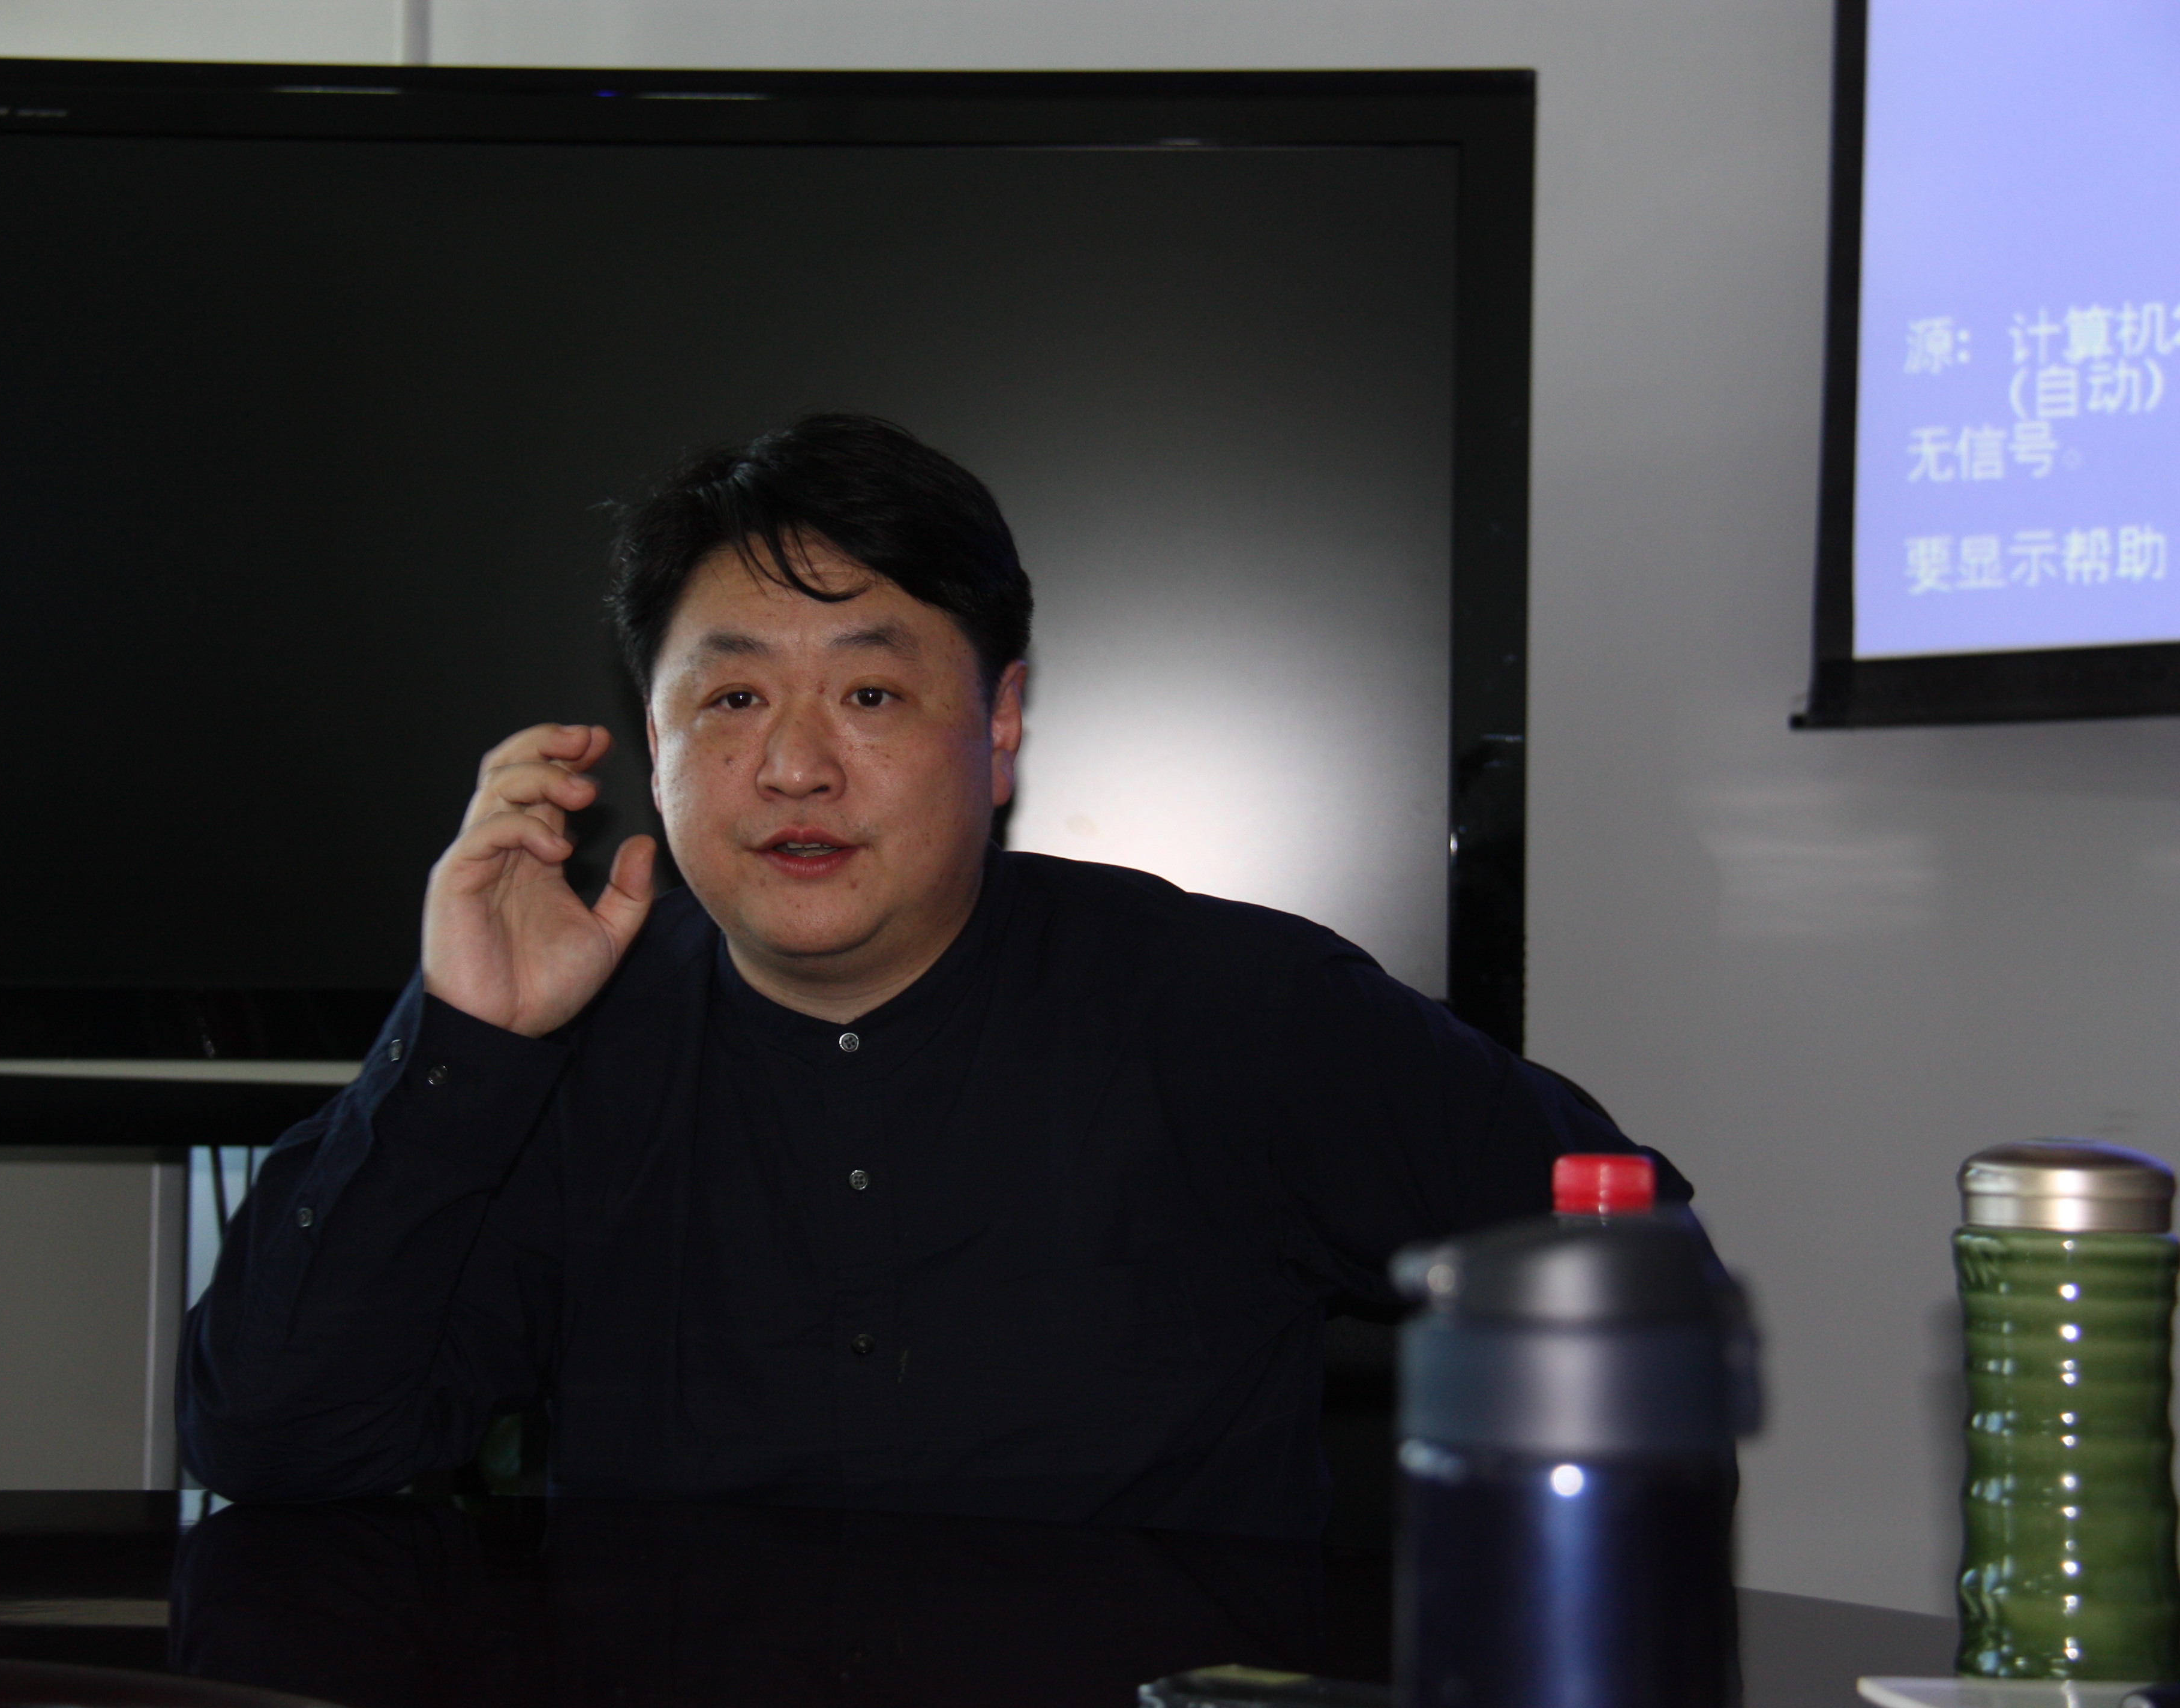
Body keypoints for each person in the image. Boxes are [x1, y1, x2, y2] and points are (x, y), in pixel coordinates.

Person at [179, 413, 1677, 1537]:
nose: (795, 764)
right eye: (734, 696)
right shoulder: (566, 1047)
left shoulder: (1238, 1008)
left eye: (872, 691)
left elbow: (1633, 1263)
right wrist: (465, 1037)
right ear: (652, 739)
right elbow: (277, 1443)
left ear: (1000, 723)